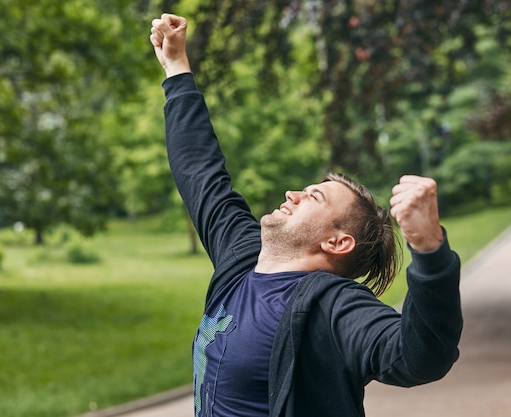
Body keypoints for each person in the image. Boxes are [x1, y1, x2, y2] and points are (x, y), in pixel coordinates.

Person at [150, 13, 463, 417]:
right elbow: (201, 172)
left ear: (337, 241)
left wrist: (430, 250)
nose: (292, 194)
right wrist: (177, 69)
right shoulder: (242, 259)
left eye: (313, 196)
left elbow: (421, 356)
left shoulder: (332, 308)